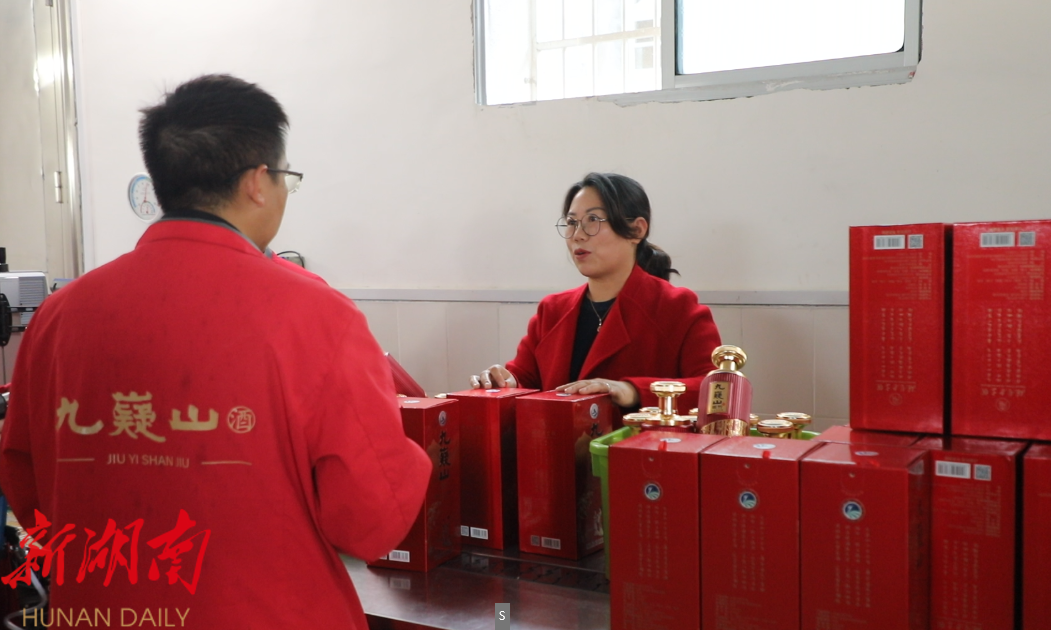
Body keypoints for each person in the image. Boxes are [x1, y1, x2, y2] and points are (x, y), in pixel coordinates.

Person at [0, 74, 430, 629]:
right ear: (257, 182)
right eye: (285, 178)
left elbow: (27, 484)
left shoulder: (60, 317)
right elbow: (372, 520)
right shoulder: (317, 316)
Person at [472, 173, 720, 424]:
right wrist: (504, 382)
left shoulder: (676, 307)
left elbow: (716, 390)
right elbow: (525, 379)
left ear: (636, 230)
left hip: (639, 447)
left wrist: (632, 390)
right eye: (571, 222)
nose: (577, 235)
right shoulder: (553, 310)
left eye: (593, 220)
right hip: (555, 446)